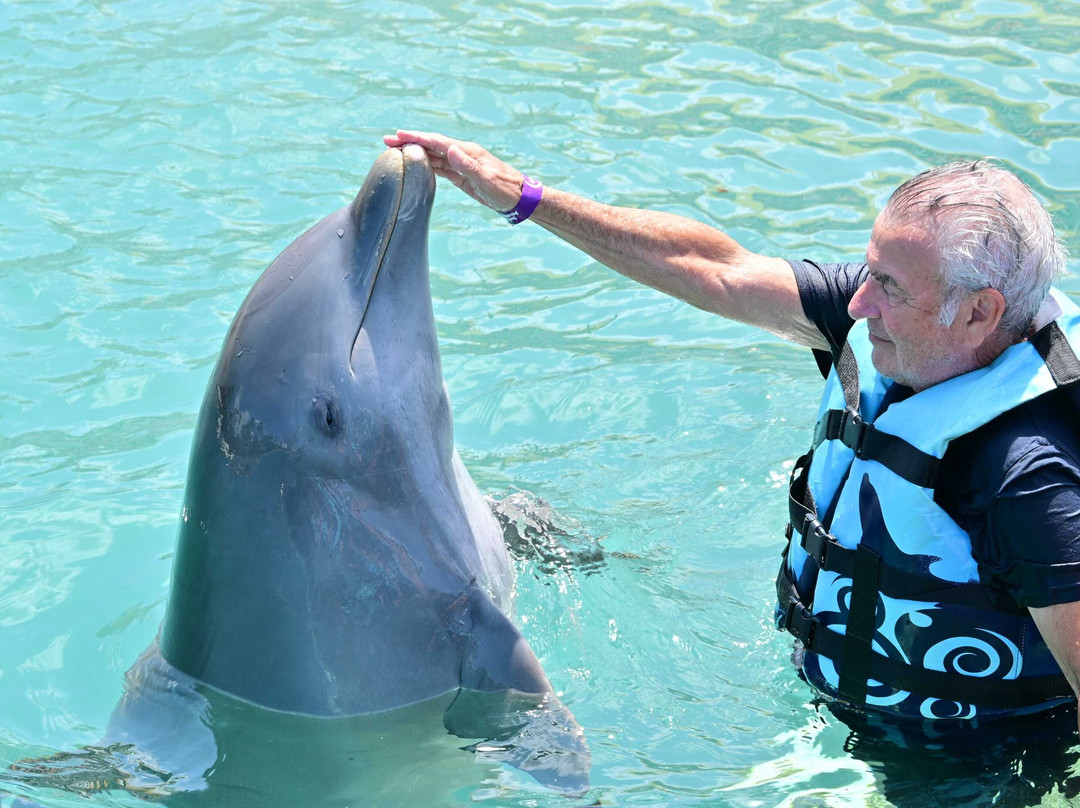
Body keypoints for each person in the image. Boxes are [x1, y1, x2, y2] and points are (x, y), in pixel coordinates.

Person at [383, 130, 1080, 732]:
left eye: (890, 286)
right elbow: (716, 269)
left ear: (981, 312)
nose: (857, 301)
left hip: (967, 767)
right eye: (868, 270)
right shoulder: (899, 325)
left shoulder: (1028, 479)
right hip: (841, 706)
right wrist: (521, 196)